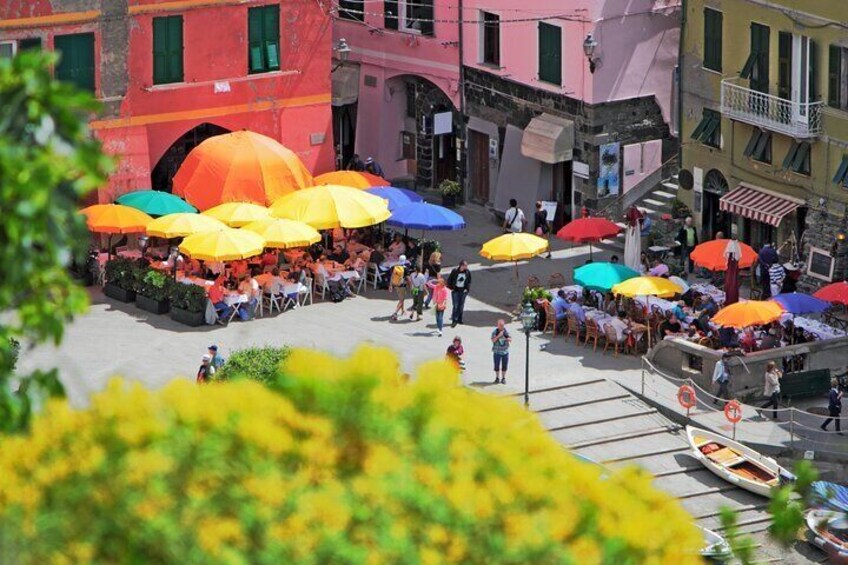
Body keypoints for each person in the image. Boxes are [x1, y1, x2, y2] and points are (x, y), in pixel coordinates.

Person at [447, 260, 471, 327]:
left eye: (466, 266)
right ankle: (454, 320)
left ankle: (460, 319)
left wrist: (467, 289)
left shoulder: (467, 272)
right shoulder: (455, 271)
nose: (466, 267)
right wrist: (451, 287)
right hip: (456, 291)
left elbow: (469, 281)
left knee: (461, 306)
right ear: (461, 265)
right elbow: (450, 280)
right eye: (465, 265)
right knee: (455, 306)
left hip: (463, 291)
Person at [491, 319, 511, 384]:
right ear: (498, 325)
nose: (502, 327)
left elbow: (510, 339)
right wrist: (499, 336)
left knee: (504, 366)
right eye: (500, 325)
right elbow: (493, 340)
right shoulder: (495, 332)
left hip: (505, 352)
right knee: (496, 366)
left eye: (503, 325)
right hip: (497, 352)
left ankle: (503, 378)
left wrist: (506, 338)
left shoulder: (506, 332)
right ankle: (497, 378)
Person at [389, 255, 409, 321]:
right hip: (402, 285)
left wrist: (390, 285)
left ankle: (402, 311)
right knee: (401, 300)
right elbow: (408, 278)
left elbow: (392, 276)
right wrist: (411, 286)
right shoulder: (405, 268)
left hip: (396, 285)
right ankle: (395, 313)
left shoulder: (395, 267)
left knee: (401, 298)